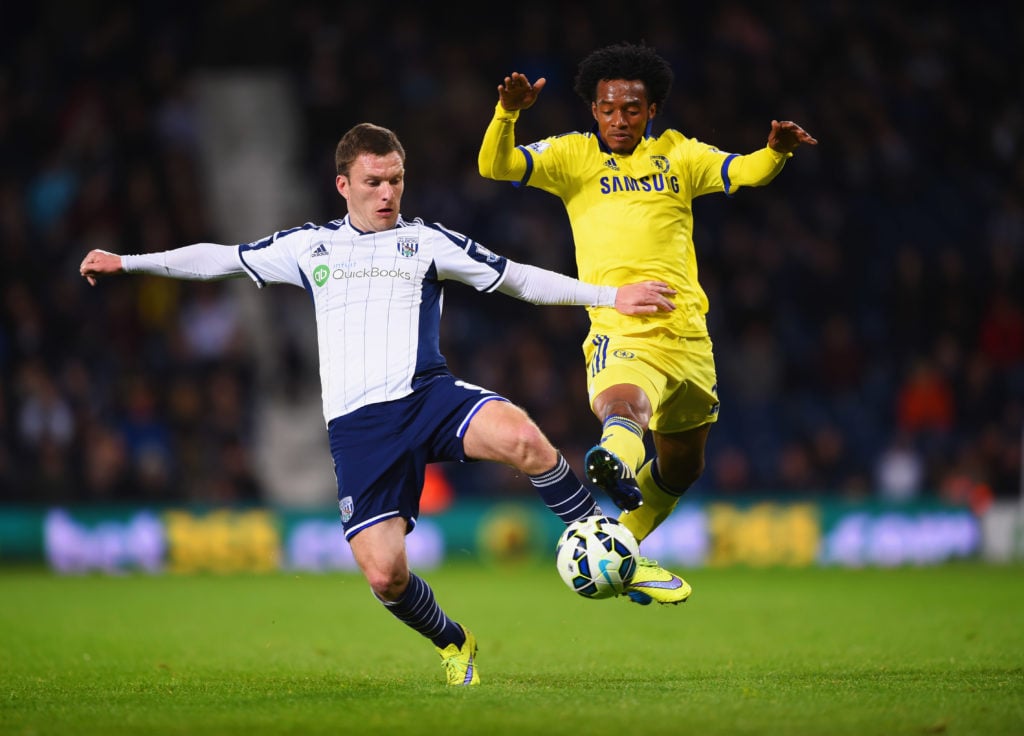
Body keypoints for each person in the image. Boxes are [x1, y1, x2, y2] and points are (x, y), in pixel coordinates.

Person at [80, 122, 678, 686]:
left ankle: (612, 543)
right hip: (359, 430)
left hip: (428, 397)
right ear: (343, 185)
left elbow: (518, 277)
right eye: (373, 182)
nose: (387, 192)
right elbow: (222, 258)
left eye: (395, 180)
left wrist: (610, 295)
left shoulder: (427, 243)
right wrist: (130, 262)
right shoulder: (308, 247)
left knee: (524, 437)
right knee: (385, 576)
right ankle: (454, 641)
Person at [478, 42, 818, 604]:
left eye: (631, 109)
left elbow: (746, 171)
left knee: (684, 465)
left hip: (688, 334)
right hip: (620, 322)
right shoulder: (571, 157)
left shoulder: (679, 156)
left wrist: (776, 151)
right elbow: (496, 164)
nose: (619, 119)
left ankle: (623, 548)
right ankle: (613, 457)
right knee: (625, 402)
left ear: (652, 109)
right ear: (593, 110)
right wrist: (507, 114)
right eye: (608, 108)